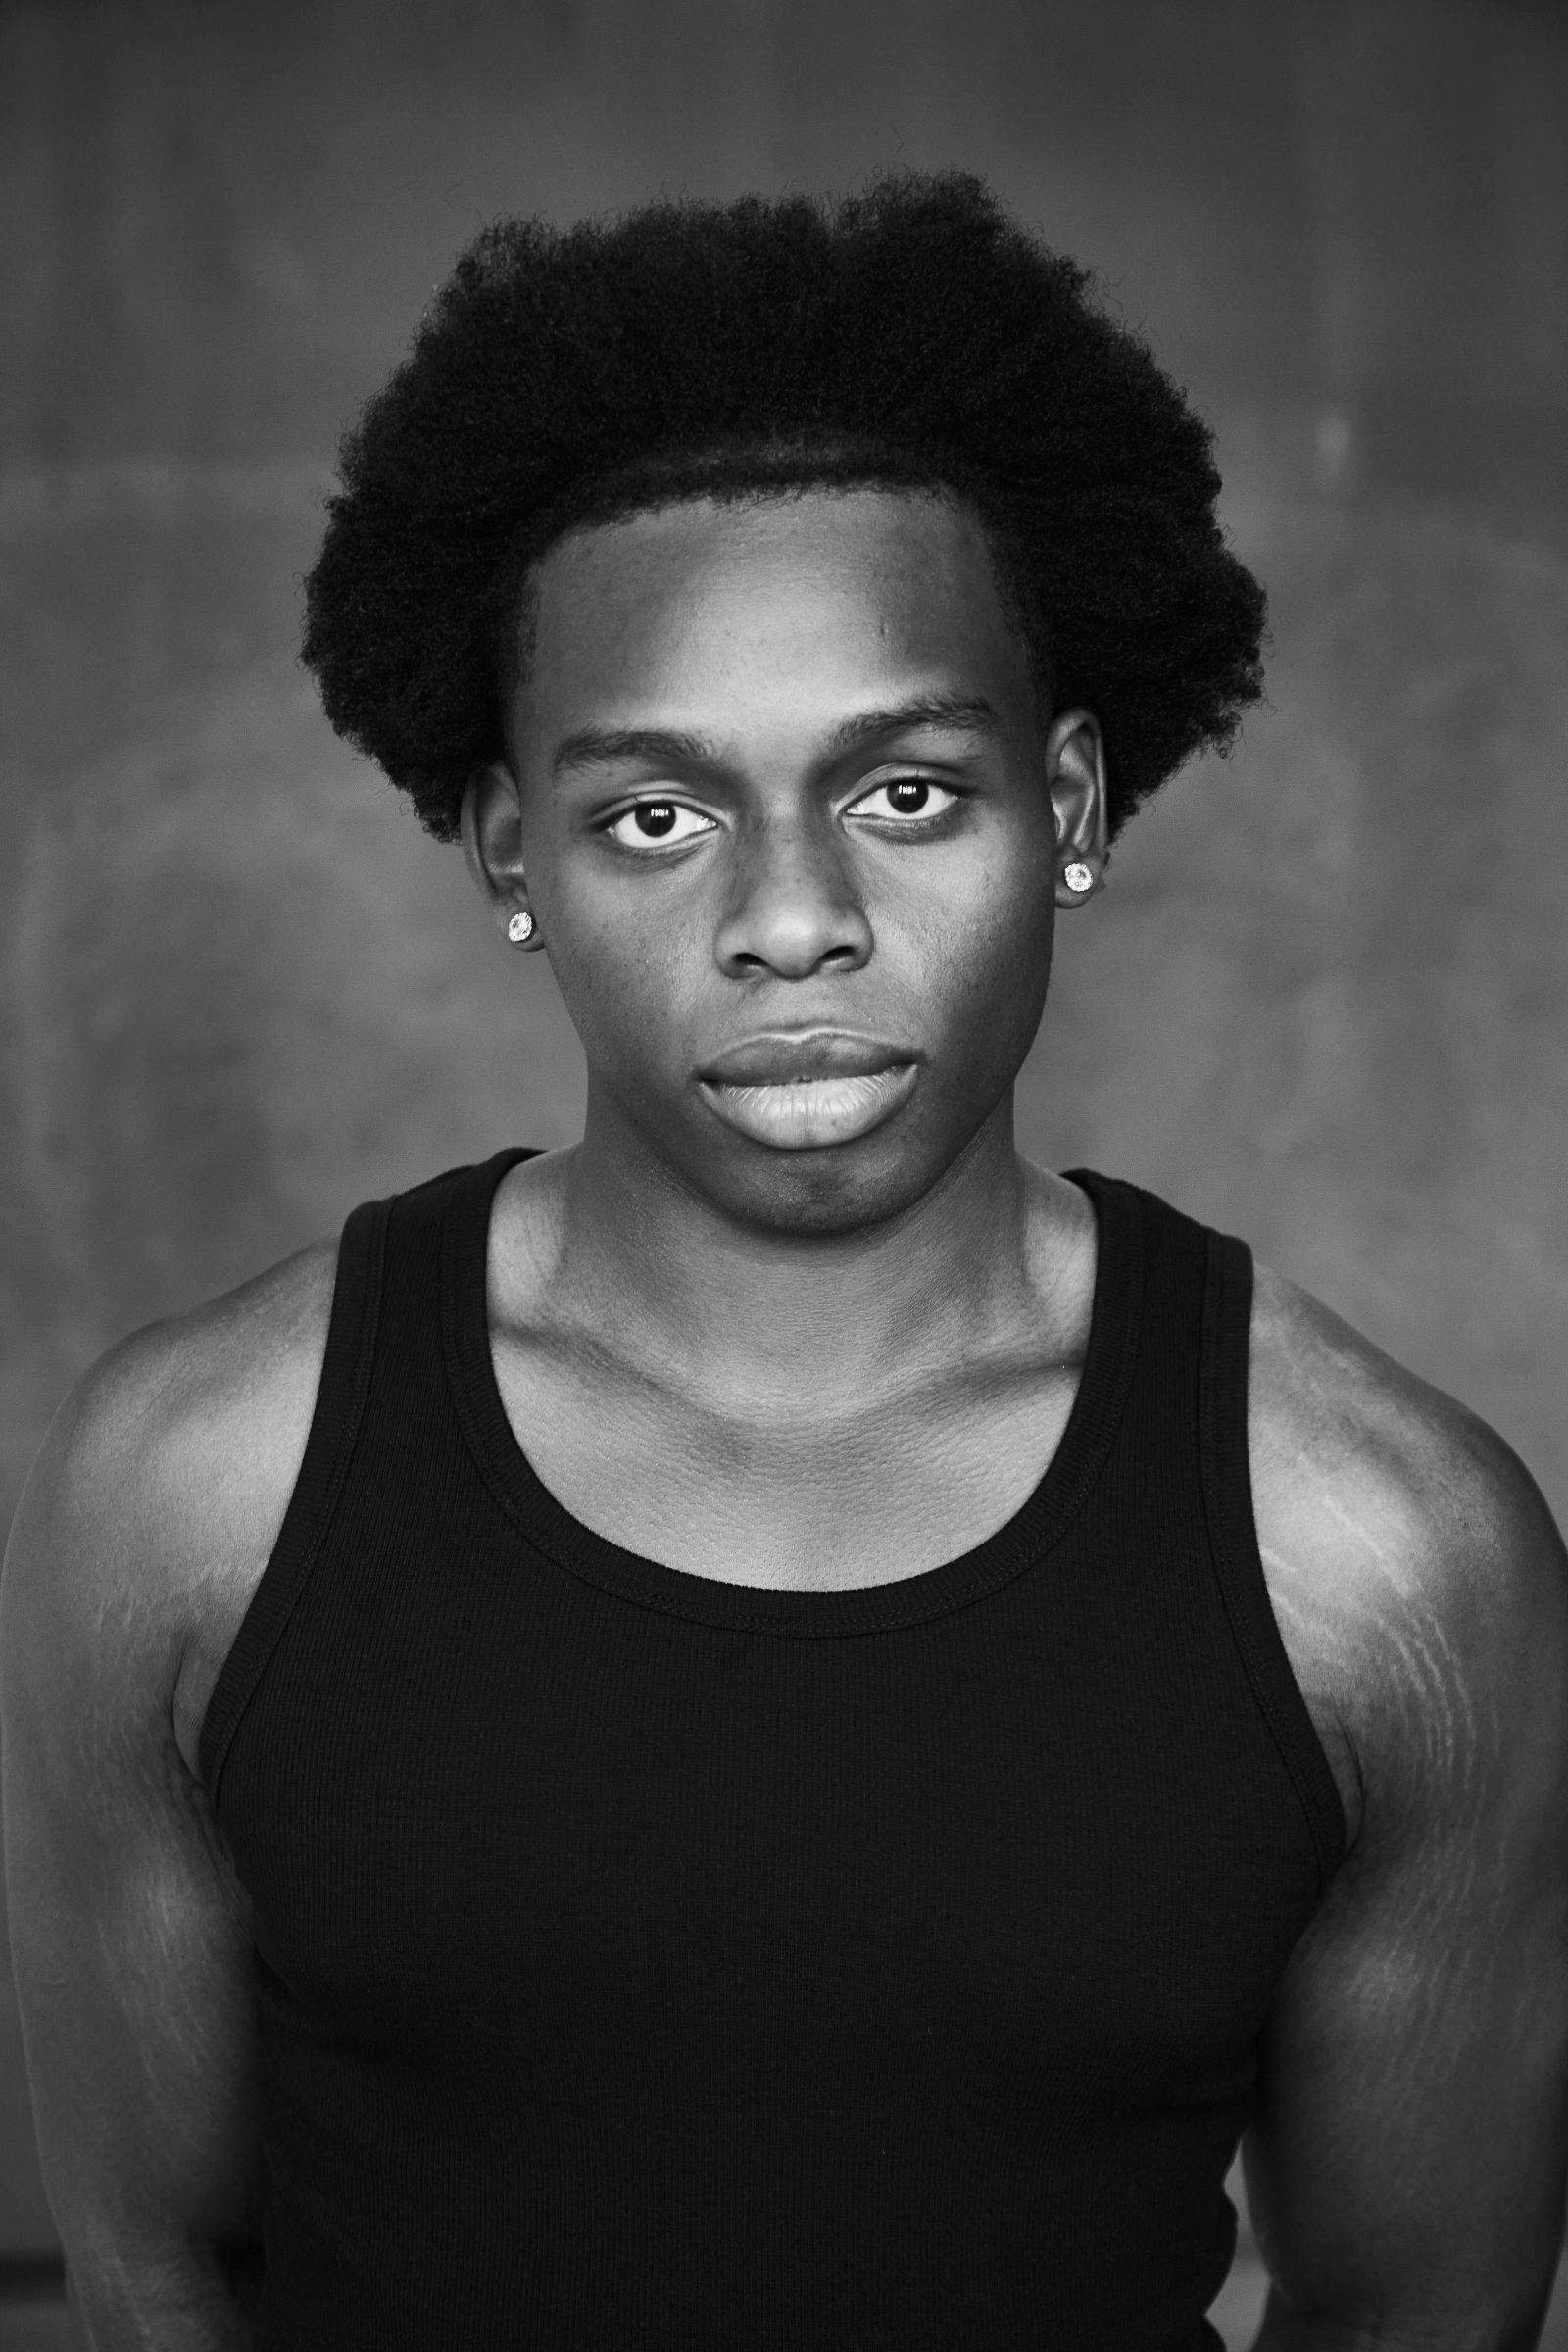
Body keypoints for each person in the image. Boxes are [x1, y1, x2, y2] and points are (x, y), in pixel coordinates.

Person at [3, 170, 1565, 2352]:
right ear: (505, 852)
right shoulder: (193, 1487)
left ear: (1076, 804)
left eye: (907, 793)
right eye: (655, 814)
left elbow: (1417, 2318)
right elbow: (159, 2278)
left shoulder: (1390, 1557)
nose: (792, 916)